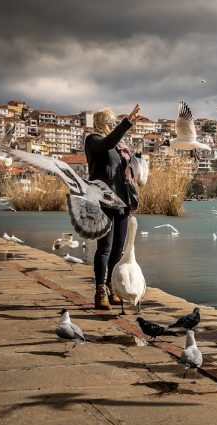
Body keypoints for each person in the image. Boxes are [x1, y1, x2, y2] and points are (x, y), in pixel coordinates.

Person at [85, 104, 142, 310]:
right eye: (109, 121)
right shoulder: (93, 141)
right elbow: (107, 143)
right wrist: (126, 123)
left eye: (113, 121)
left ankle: (110, 287)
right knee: (105, 248)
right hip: (103, 201)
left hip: (122, 202)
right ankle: (100, 290)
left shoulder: (119, 147)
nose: (111, 124)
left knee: (118, 248)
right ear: (101, 123)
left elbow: (123, 168)